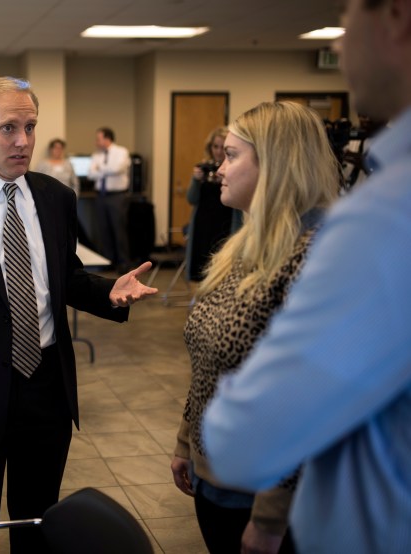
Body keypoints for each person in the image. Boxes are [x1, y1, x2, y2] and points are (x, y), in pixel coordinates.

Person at [0, 76, 158, 554]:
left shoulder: (56, 199)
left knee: (37, 529)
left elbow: (68, 280)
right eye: (8, 128)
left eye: (31, 127)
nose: (22, 141)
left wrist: (110, 293)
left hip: (45, 392)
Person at [202, 0, 411, 552]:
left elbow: (244, 439)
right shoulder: (244, 244)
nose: (338, 45)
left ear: (397, 16)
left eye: (346, 19)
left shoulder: (381, 217)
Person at [170, 101, 340, 554]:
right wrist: (187, 441)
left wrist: (270, 517)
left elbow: (309, 401)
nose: (218, 169)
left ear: (276, 164)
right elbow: (211, 355)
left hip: (265, 493)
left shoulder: (315, 257)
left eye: (231, 156)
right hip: (216, 479)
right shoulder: (243, 246)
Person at [184, 126, 237, 282]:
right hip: (203, 226)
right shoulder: (203, 167)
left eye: (223, 147)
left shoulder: (233, 169)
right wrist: (196, 179)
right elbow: (191, 199)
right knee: (200, 269)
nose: (219, 151)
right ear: (210, 147)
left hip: (225, 225)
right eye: (215, 146)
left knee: (223, 271)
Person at [88, 127, 131, 273]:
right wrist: (103, 169)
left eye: (98, 139)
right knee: (103, 230)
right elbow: (90, 175)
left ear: (107, 139)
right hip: (100, 196)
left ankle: (123, 263)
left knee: (119, 230)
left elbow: (117, 169)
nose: (96, 142)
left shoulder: (122, 152)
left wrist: (100, 168)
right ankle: (108, 261)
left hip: (117, 196)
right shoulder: (96, 155)